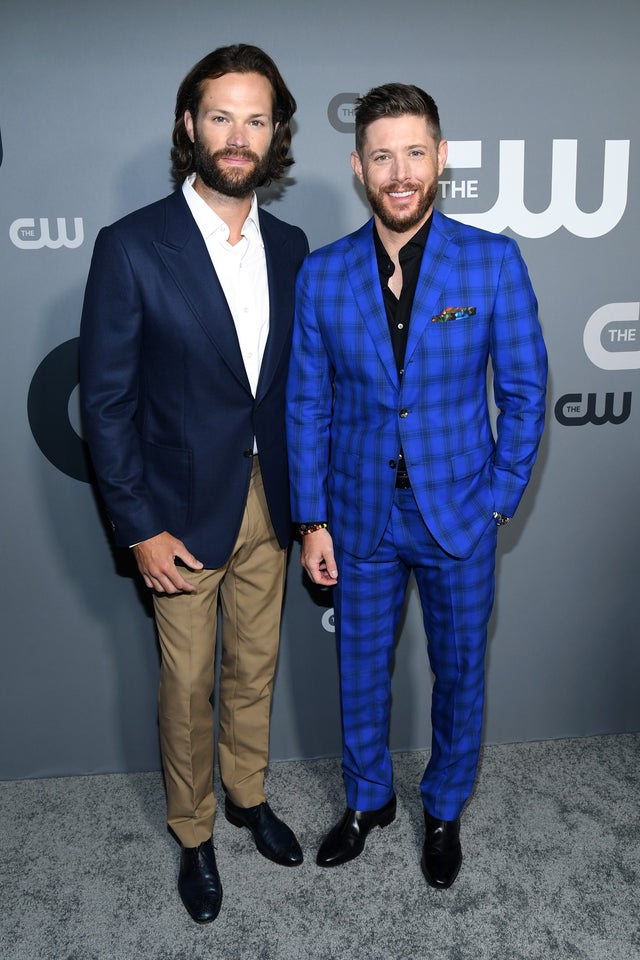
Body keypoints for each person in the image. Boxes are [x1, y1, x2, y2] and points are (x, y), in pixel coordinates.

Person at [286, 83, 547, 889]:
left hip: (458, 516)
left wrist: (499, 496)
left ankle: (442, 808)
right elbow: (308, 401)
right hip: (358, 517)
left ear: (441, 158)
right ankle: (368, 801)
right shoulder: (323, 275)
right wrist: (312, 520)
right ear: (358, 166)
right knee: (359, 669)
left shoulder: (492, 260)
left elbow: (529, 392)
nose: (399, 172)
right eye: (381, 155)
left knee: (461, 669)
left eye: (414, 152)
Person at [80, 44, 309, 924]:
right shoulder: (134, 246)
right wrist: (137, 527)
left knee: (254, 667)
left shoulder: (290, 247)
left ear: (277, 132)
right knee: (187, 687)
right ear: (190, 126)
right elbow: (104, 405)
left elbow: (298, 388)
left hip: (272, 503)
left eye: (256, 119)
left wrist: (309, 509)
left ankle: (247, 798)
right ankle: (193, 830)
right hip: (175, 515)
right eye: (221, 116)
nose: (238, 135)